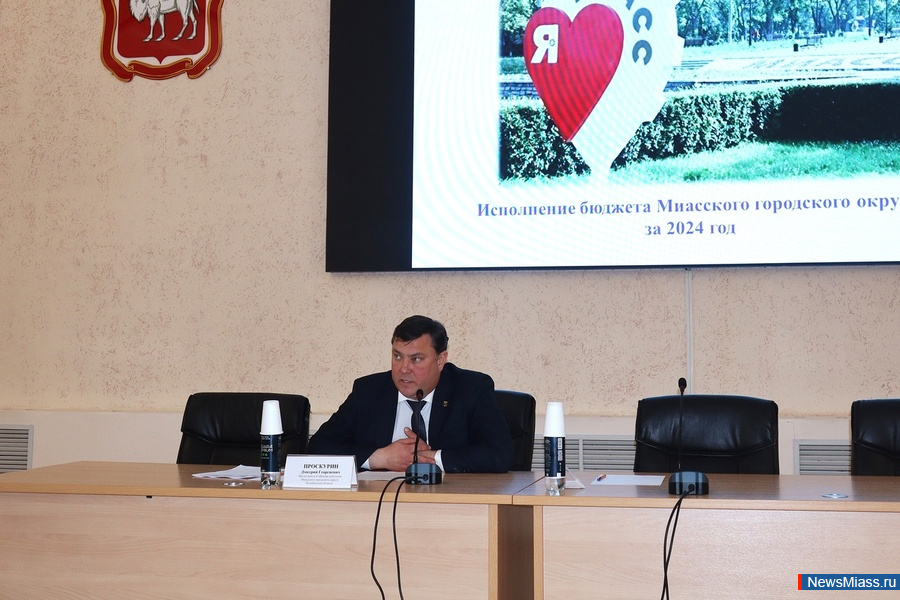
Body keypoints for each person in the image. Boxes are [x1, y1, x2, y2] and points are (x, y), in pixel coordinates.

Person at [308, 315, 512, 473]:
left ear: (441, 360)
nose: (404, 368)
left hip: (450, 504)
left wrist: (431, 458)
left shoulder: (470, 388)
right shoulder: (369, 391)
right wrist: (381, 458)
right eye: (397, 356)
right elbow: (318, 446)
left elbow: (499, 454)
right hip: (379, 502)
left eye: (416, 359)